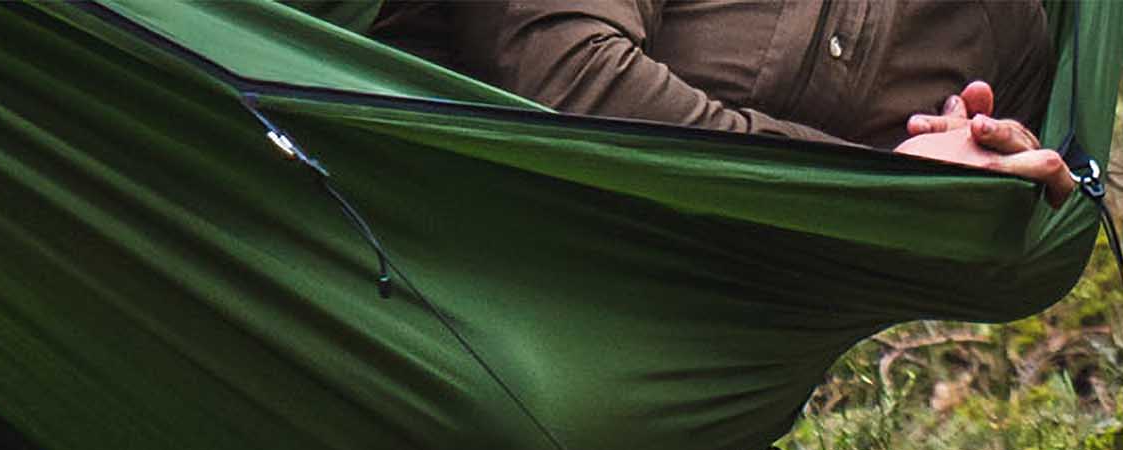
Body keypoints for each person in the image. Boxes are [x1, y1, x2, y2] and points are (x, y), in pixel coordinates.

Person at [372, 1, 1074, 204]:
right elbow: (562, 75)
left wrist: (983, 160)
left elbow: (1017, 213)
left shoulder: (1010, 29)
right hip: (414, 244)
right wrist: (884, 179)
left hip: (674, 355)